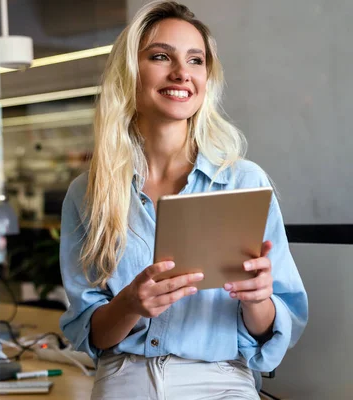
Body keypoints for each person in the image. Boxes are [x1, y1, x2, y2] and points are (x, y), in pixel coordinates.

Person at [59, 1, 308, 399]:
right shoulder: (87, 194)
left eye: (196, 60)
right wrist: (129, 304)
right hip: (126, 377)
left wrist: (259, 299)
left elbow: (274, 331)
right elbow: (94, 336)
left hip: (221, 378)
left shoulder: (243, 181)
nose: (182, 73)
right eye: (160, 56)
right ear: (130, 72)